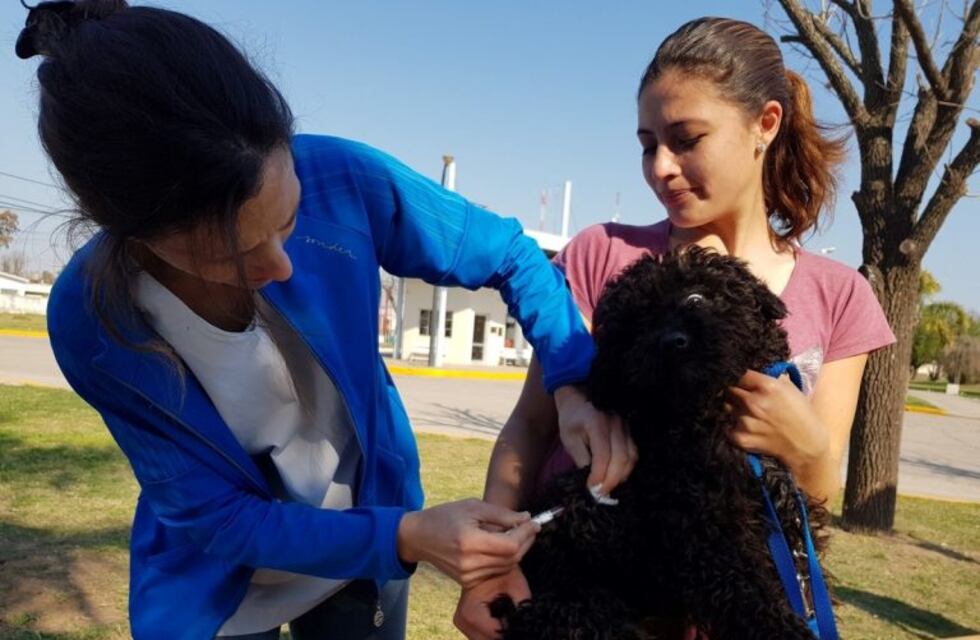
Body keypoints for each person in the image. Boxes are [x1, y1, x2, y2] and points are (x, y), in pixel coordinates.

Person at [16, 1, 600, 638]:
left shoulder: (341, 177)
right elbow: (220, 520)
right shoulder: (94, 321)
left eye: (289, 220)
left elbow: (515, 256)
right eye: (234, 258)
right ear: (135, 236)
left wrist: (572, 382)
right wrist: (406, 535)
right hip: (221, 584)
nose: (283, 266)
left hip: (365, 552)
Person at [455, 17, 896, 640]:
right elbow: (530, 425)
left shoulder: (839, 293)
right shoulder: (599, 254)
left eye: (686, 139)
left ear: (764, 125)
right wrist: (488, 574)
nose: (660, 167)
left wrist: (810, 446)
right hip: (582, 597)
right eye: (647, 144)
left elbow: (819, 491)